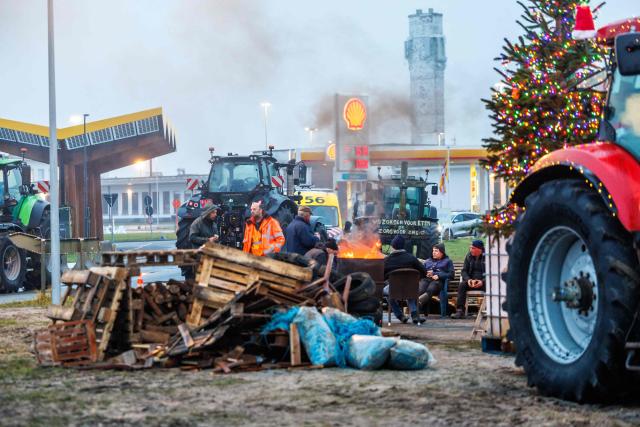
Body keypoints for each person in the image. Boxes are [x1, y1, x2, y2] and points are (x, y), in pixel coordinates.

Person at [382, 235, 428, 324]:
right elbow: (424, 271)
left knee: (387, 292)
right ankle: (415, 315)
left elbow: (382, 276)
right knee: (409, 288)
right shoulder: (411, 258)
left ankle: (400, 315)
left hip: (394, 289)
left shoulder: (387, 260)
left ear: (392, 246)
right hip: (411, 289)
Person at [452, 239, 486, 319]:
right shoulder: (469, 256)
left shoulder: (487, 257)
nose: (471, 250)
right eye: (470, 248)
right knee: (462, 285)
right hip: (471, 281)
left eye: (473, 248)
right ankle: (460, 311)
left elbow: (492, 273)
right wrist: (468, 280)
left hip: (483, 282)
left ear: (480, 249)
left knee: (490, 286)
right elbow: (464, 271)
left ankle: (490, 310)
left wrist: (482, 281)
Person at [418, 243, 453, 316]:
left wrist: (438, 275)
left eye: (436, 251)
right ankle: (419, 309)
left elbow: (451, 274)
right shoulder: (427, 261)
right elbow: (422, 272)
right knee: (421, 289)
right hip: (427, 279)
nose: (433, 252)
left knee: (431, 288)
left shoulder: (448, 261)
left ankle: (418, 302)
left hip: (439, 282)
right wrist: (426, 273)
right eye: (433, 250)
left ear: (442, 252)